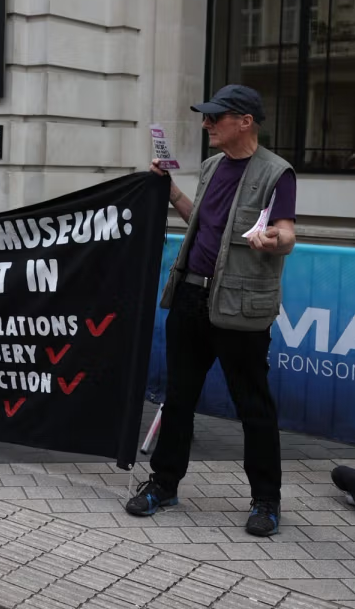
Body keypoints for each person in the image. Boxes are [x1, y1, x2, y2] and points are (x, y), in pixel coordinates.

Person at [125, 84, 297, 538]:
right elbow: (200, 222)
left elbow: (288, 235)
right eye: (205, 116)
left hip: (239, 305)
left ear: (245, 121)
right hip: (190, 297)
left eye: (215, 117)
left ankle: (266, 501)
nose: (206, 124)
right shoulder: (211, 166)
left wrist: (272, 241)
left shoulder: (277, 173)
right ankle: (163, 485)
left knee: (253, 405)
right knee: (178, 397)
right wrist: (171, 192)